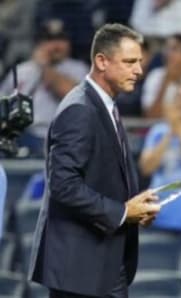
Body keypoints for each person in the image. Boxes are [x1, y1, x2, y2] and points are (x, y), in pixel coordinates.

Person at [28, 23, 162, 298]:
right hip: (80, 269)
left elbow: (102, 176)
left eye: (139, 61)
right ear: (101, 61)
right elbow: (64, 185)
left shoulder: (103, 104)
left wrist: (135, 209)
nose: (139, 70)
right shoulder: (80, 109)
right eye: (129, 62)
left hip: (102, 263)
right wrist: (123, 212)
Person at [0, 18, 88, 157]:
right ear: (39, 43)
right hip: (25, 138)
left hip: (63, 139)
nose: (56, 45)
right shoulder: (22, 70)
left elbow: (72, 97)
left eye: (61, 39)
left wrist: (45, 66)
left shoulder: (78, 69)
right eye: (49, 39)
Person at [139, 81, 181, 232]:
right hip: (159, 217)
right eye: (180, 97)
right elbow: (146, 168)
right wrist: (169, 133)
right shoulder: (158, 131)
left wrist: (180, 130)